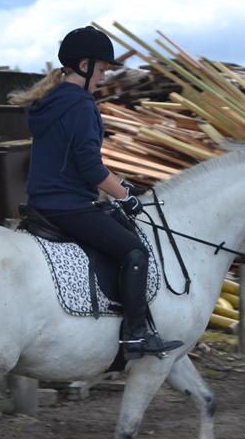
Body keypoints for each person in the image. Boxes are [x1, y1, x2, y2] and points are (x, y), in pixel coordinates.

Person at [11, 26, 182, 360]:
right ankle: (135, 335)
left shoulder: (52, 101)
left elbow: (75, 161)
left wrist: (121, 184)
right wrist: (126, 197)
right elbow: (90, 168)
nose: (103, 78)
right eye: (102, 70)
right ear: (84, 65)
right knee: (134, 251)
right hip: (69, 206)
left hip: (43, 202)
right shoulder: (81, 105)